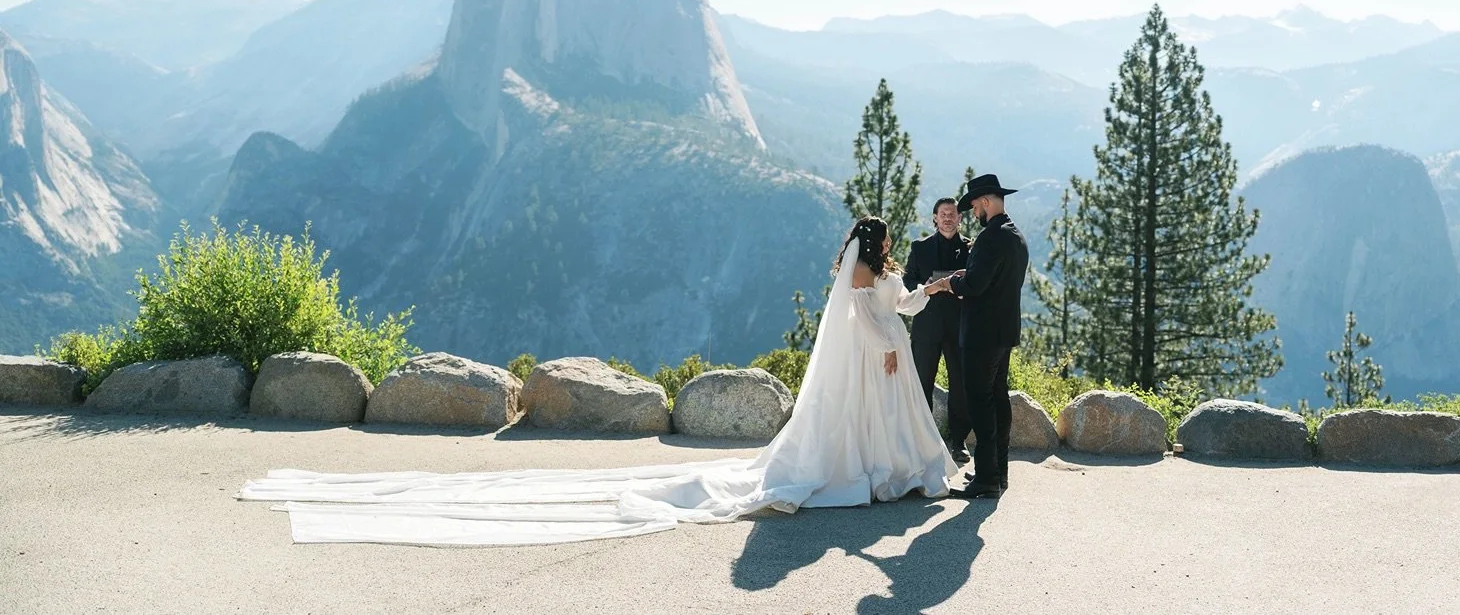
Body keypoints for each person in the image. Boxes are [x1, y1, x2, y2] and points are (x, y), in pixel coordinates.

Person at [238, 216, 958, 546]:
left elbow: (894, 304)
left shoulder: (884, 272)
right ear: (871, 244)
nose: (879, 248)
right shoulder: (859, 274)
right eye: (879, 241)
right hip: (877, 362)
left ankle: (892, 474)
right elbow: (861, 317)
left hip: (887, 359)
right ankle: (880, 475)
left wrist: (928, 291)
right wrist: (887, 346)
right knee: (865, 428)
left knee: (882, 426)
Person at [943, 173, 1029, 500]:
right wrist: (971, 275)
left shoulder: (991, 237)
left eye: (975, 206)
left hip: (982, 334)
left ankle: (986, 478)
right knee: (998, 399)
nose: (973, 213)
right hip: (1004, 331)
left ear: (986, 201)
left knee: (980, 403)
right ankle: (998, 472)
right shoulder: (1015, 235)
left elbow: (976, 285)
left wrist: (952, 282)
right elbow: (996, 279)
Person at [902, 197, 972, 464]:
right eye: (943, 214)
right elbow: (907, 282)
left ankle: (959, 442)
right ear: (934, 218)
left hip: (959, 327)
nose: (948, 218)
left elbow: (977, 282)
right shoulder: (919, 247)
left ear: (960, 218)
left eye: (952, 214)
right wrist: (927, 285)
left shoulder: (971, 247)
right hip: (926, 327)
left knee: (960, 385)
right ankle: (922, 443)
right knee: (921, 384)